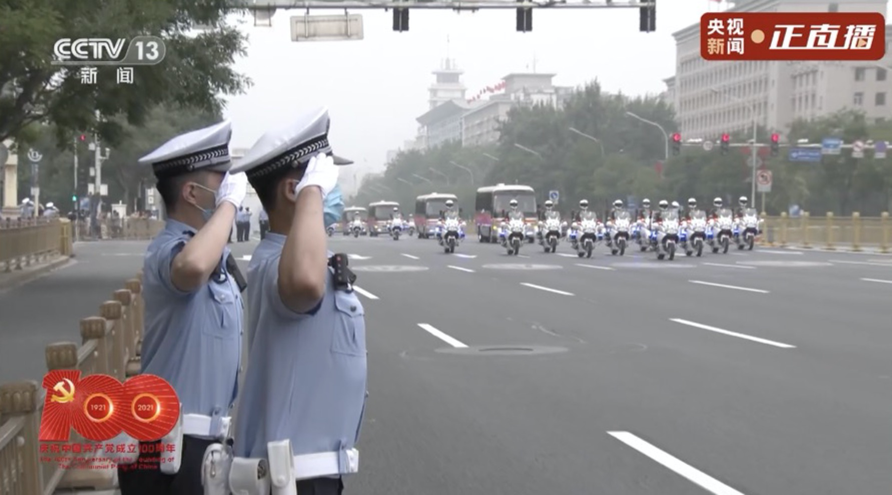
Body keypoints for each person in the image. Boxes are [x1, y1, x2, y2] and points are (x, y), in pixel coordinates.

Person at [225, 107, 363, 495]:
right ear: (293, 191)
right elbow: (303, 282)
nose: (333, 193)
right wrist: (312, 193)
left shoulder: (304, 257)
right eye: (325, 181)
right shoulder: (278, 263)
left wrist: (311, 193)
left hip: (309, 474)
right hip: (292, 478)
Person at [120, 120, 247, 495]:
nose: (230, 188)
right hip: (165, 449)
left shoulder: (212, 252)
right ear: (192, 192)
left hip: (203, 447)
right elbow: (191, 268)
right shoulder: (168, 249)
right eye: (222, 180)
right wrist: (229, 205)